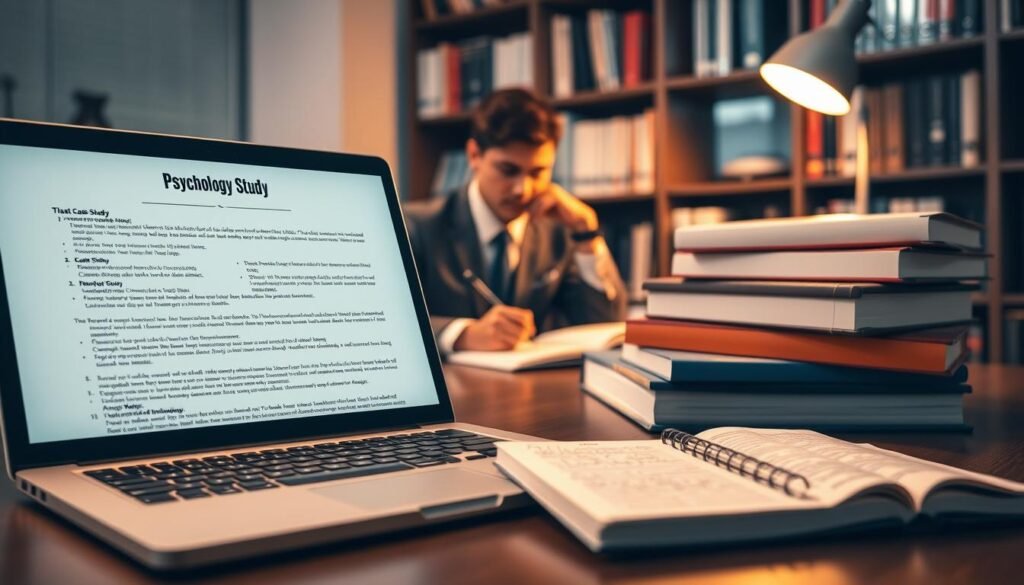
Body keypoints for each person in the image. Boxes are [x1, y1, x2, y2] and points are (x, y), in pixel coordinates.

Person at [405, 88, 627, 353]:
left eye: (538, 172)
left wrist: (586, 233)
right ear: (474, 155)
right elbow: (386, 325)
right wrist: (463, 335)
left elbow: (604, 325)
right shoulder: (416, 226)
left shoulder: (561, 231)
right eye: (508, 170)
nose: (522, 189)